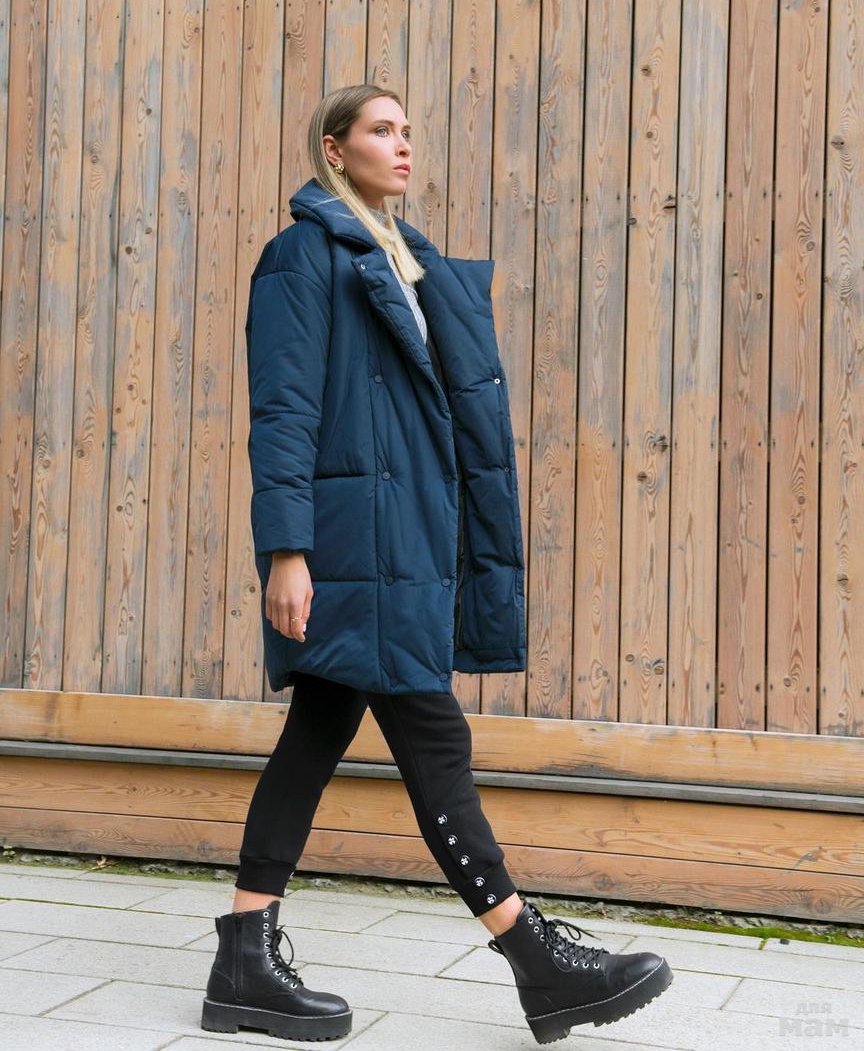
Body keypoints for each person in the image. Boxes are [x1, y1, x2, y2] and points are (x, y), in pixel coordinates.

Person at [200, 84, 673, 1045]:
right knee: (433, 737)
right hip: (354, 544)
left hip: (405, 538)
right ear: (335, 150)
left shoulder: (405, 261)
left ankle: (244, 959)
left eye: (408, 131)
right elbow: (283, 412)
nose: (403, 145)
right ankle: (536, 959)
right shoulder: (302, 256)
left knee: (319, 731)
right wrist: (287, 550)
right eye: (382, 130)